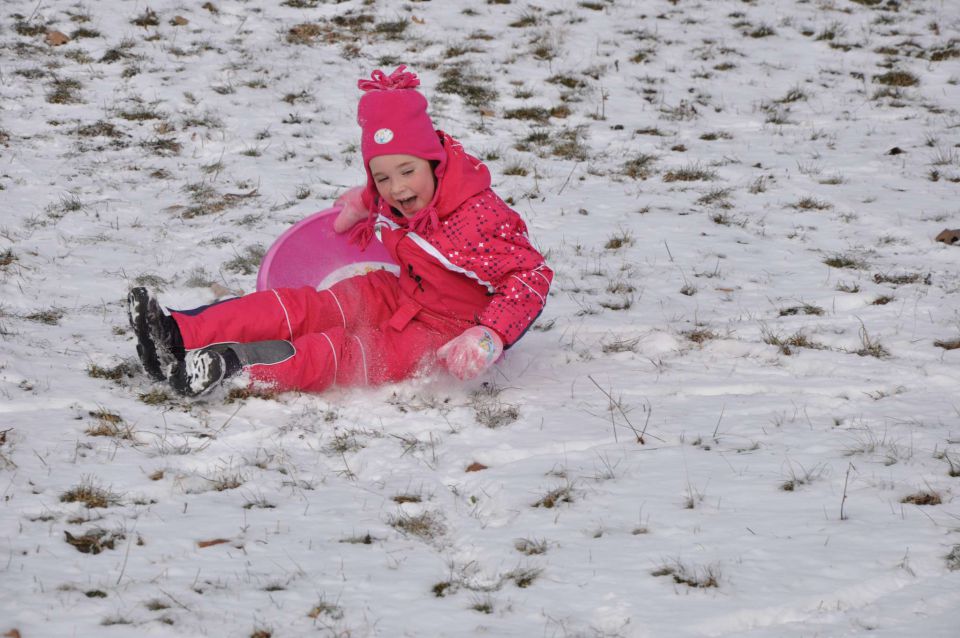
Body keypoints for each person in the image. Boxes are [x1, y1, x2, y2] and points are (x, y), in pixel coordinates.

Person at [128, 65, 553, 397]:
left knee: (350, 351)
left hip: (448, 335)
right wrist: (363, 202)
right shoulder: (396, 194)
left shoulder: (475, 215)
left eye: (407, 171)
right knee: (310, 307)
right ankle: (175, 334)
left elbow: (531, 276)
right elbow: (385, 196)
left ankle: (233, 366)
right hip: (402, 293)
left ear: (434, 163)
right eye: (382, 177)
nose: (397, 188)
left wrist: (489, 334)